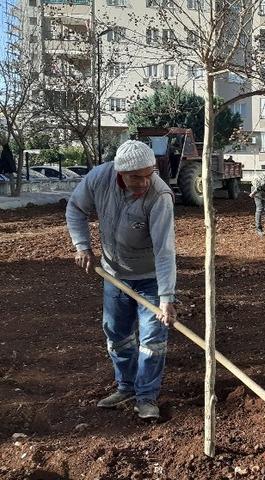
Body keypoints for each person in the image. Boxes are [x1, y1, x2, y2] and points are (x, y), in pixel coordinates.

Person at [65, 140, 177, 420]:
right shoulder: (99, 178)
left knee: (153, 340)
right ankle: (125, 387)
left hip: (150, 277)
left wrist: (166, 298)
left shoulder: (159, 196)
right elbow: (75, 209)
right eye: (136, 177)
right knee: (117, 336)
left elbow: (165, 251)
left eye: (149, 174)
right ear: (119, 172)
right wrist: (82, 246)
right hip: (113, 275)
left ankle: (146, 397)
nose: (143, 182)